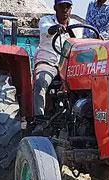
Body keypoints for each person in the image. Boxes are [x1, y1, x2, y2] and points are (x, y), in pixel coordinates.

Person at [32, 0, 81, 128]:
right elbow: (47, 30)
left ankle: (78, 116)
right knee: (41, 81)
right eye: (61, 6)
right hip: (49, 62)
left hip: (69, 65)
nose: (65, 10)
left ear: (71, 9)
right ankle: (39, 119)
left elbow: (79, 43)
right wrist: (56, 28)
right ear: (55, 8)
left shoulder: (77, 25)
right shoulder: (45, 21)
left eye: (68, 7)